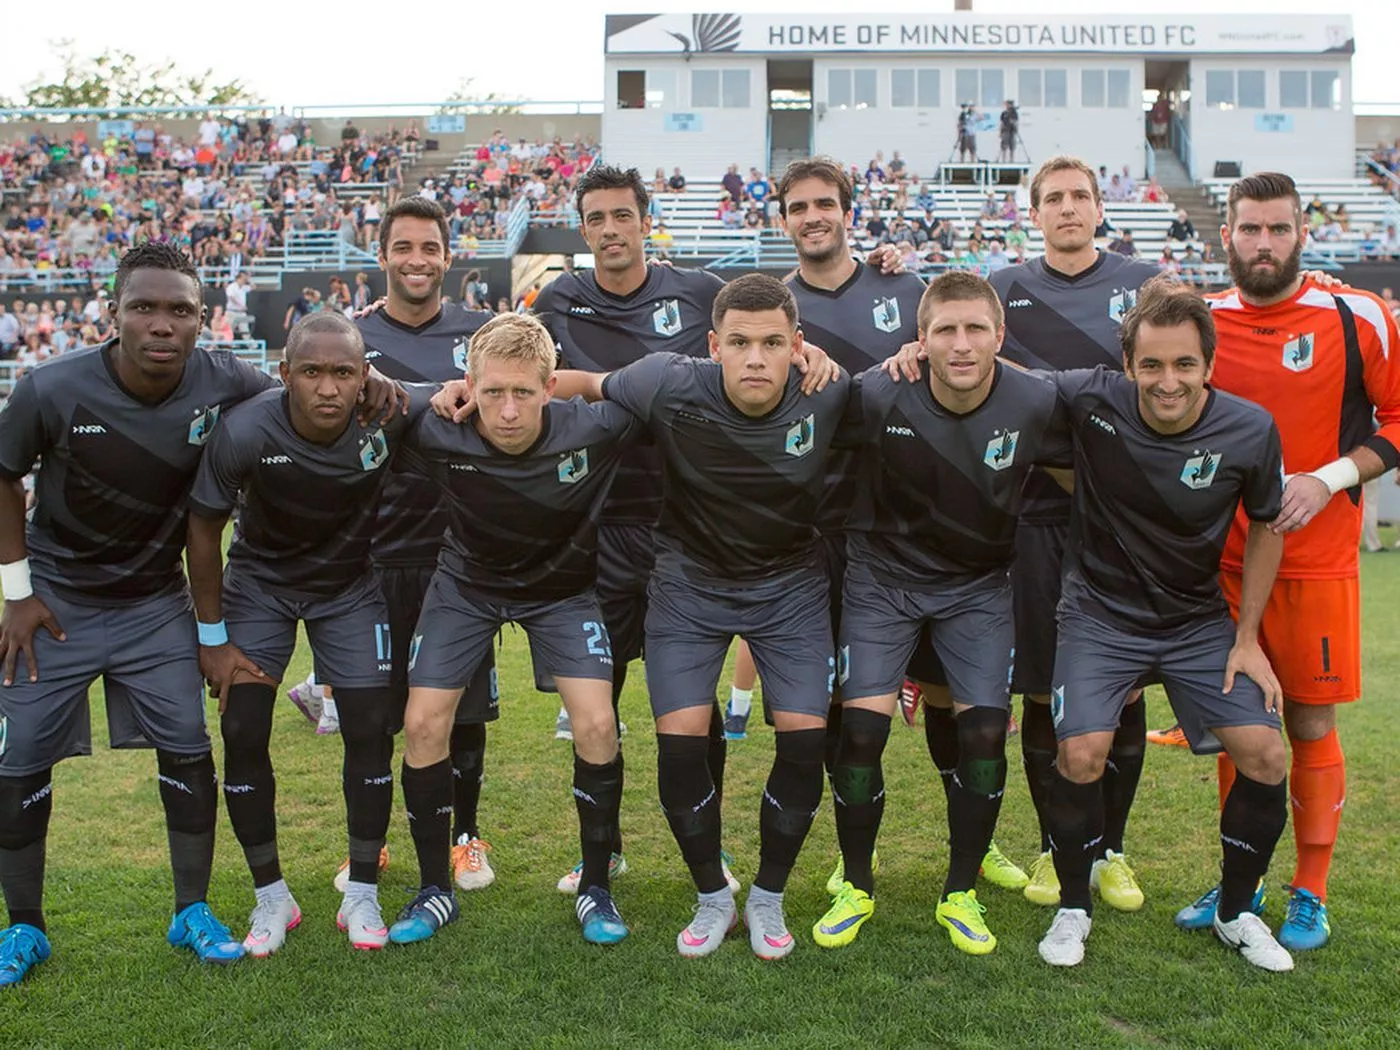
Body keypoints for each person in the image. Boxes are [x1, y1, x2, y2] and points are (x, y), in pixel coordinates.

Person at [0, 243, 279, 985]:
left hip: (156, 603)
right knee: (18, 757)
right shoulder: (51, 389)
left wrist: (379, 381)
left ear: (202, 320)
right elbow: (3, 475)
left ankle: (191, 910)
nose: (162, 324)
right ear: (112, 312)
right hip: (55, 601)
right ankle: (23, 927)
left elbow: (302, 387)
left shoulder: (227, 380)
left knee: (189, 747)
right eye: (144, 307)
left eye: (180, 310)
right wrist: (17, 592)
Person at [551, 274, 845, 960]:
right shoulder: (666, 381)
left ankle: (768, 896)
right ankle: (713, 893)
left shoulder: (832, 392)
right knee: (680, 745)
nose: (754, 358)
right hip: (689, 584)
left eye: (773, 343)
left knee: (805, 743)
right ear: (713, 346)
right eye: (738, 342)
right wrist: (477, 392)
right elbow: (578, 384)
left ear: (797, 348)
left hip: (791, 586)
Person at [771, 156, 1025, 894]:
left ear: (849, 211)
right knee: (843, 704)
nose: (813, 216)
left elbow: (950, 359)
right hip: (820, 531)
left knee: (950, 697)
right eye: (798, 207)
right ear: (782, 219)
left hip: (916, 525)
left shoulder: (901, 284)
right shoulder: (771, 309)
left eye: (826, 203)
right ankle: (860, 850)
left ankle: (974, 846)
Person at [1036, 278, 1294, 973]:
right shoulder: (1091, 397)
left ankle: (1237, 914)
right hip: (1098, 616)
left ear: (1209, 364)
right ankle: (1072, 907)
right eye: (1151, 364)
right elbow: (1001, 381)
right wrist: (919, 350)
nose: (1167, 380)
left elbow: (1267, 526)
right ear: (1127, 366)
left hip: (1196, 623)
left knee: (1268, 757)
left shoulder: (1248, 428)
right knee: (1081, 756)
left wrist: (1248, 639)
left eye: (1184, 364)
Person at [816, 272, 1071, 956]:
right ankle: (857, 883)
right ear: (919, 340)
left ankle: (960, 891)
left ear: (1000, 335)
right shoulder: (875, 392)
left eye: (975, 329)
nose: (961, 344)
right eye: (945, 331)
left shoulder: (1038, 399)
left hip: (978, 588)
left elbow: (1108, 451)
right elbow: (796, 419)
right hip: (881, 582)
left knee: (986, 735)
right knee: (862, 735)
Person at [1177, 172, 1400, 951]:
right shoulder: (1200, 325)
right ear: (1227, 235)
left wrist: (1329, 477)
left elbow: (1399, 420)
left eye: (1277, 229)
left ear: (1302, 230)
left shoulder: (1358, 313)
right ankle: (1245, 880)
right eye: (1249, 230)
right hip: (1224, 571)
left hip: (1319, 563)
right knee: (1242, 727)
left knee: (1306, 721)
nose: (1263, 244)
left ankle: (1310, 890)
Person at [389, 313, 636, 948]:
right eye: (491, 392)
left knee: (599, 724)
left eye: (522, 393)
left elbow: (668, 390)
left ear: (550, 387)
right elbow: (374, 393)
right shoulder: (439, 429)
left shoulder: (595, 428)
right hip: (465, 587)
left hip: (561, 591)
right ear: (468, 385)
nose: (505, 410)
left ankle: (596, 887)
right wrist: (430, 394)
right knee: (421, 722)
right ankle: (432, 888)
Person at [185, 313, 429, 955]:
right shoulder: (244, 429)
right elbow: (203, 527)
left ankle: (363, 892)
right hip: (259, 586)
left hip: (349, 588)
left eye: (344, 372)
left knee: (371, 729)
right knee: (240, 730)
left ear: (363, 376)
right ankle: (272, 897)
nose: (328, 387)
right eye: (312, 372)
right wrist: (211, 637)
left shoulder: (391, 413)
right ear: (285, 374)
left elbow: (460, 396)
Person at [985, 156, 1164, 910]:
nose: (1067, 208)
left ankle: (1111, 851)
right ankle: (1060, 846)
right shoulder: (1003, 288)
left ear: (1100, 208)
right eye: (1052, 198)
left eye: (1079, 197)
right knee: (1037, 688)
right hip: (1032, 515)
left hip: (1122, 519)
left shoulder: (1147, 284)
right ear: (1035, 213)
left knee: (1120, 690)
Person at [349, 195, 500, 894]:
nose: (417, 260)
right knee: (373, 714)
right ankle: (371, 844)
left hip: (458, 559)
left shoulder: (482, 333)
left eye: (429, 248)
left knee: (461, 714)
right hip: (372, 555)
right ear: (382, 256)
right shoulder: (346, 340)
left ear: (448, 256)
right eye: (403, 247)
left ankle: (466, 837)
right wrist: (423, 391)